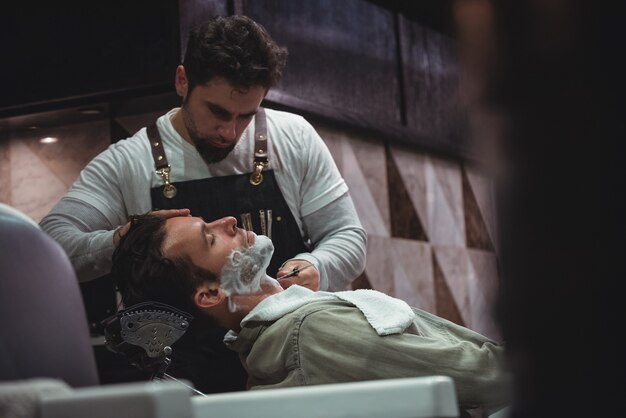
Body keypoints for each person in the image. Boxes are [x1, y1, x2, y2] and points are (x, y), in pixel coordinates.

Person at [39, 15, 366, 392]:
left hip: (296, 367)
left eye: (247, 115)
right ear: (182, 81)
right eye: (218, 112)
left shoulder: (293, 138)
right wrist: (126, 237)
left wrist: (316, 265)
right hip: (186, 383)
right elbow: (52, 246)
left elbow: (348, 235)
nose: (230, 132)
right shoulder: (127, 162)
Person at [110, 213, 510, 413]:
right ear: (212, 293)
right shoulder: (310, 333)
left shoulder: (290, 333)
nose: (228, 220)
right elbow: (489, 378)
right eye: (210, 236)